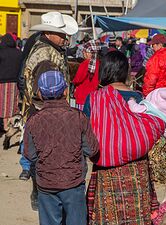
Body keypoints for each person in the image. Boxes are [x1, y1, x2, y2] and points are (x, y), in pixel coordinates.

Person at [84, 51, 165, 225]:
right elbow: (151, 126)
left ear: (105, 70)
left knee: (110, 217)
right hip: (136, 168)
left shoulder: (95, 98)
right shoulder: (139, 98)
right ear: (124, 71)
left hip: (107, 168)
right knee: (136, 215)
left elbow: (88, 131)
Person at [23, 70, 104, 225]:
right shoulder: (78, 117)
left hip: (47, 186)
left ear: (39, 93)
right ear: (66, 91)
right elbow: (93, 149)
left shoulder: (34, 121)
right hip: (73, 184)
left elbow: (29, 155)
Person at [19, 11, 78, 209]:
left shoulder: (45, 48)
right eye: (61, 34)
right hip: (46, 113)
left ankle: (40, 193)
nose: (65, 38)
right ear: (49, 33)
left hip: (42, 113)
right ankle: (41, 195)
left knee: (42, 154)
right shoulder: (46, 56)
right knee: (46, 156)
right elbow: (43, 92)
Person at [0, 33, 22, 147]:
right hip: (15, 82)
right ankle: (11, 126)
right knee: (12, 105)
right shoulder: (19, 53)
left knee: (3, 105)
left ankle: (5, 127)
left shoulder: (1, 52)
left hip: (2, 82)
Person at [73, 40, 100, 110]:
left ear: (89, 53)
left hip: (82, 96)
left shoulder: (84, 64)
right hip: (93, 97)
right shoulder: (99, 64)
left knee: (82, 117)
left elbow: (78, 79)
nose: (83, 53)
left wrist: (73, 81)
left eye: (85, 51)